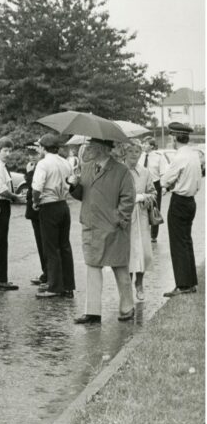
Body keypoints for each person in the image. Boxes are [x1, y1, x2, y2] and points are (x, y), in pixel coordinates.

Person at [69, 138, 136, 323]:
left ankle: (127, 307)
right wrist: (74, 184)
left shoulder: (121, 171)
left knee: (120, 267)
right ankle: (92, 312)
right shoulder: (86, 167)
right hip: (91, 225)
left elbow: (128, 198)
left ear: (101, 149)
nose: (87, 150)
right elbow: (81, 195)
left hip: (114, 228)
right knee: (92, 267)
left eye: (90, 147)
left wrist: (119, 220)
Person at [161, 122, 203, 297]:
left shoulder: (179, 157)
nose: (171, 140)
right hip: (191, 201)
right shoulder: (193, 155)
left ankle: (183, 284)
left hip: (179, 201)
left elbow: (165, 180)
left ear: (175, 137)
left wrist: (168, 184)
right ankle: (190, 282)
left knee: (178, 243)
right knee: (186, 241)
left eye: (171, 137)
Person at [32, 133, 75, 299]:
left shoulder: (43, 164)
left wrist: (36, 202)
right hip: (63, 204)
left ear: (43, 148)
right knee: (64, 245)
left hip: (49, 205)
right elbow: (72, 182)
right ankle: (68, 285)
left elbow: (37, 187)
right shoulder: (65, 163)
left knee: (51, 247)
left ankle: (55, 286)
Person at [122, 140, 156, 302]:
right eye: (130, 151)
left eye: (137, 151)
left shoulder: (145, 172)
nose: (134, 154)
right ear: (125, 153)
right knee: (127, 252)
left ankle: (140, 285)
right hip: (124, 216)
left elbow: (153, 192)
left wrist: (147, 197)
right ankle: (126, 286)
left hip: (141, 216)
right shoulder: (119, 171)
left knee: (142, 251)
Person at [0, 136, 19, 291]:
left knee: (1, 241)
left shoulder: (2, 166)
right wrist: (16, 197)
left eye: (9, 151)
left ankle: (0, 277)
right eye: (5, 150)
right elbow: (1, 189)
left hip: (2, 205)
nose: (8, 154)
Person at [23, 142, 47, 287]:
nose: (32, 157)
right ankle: (45, 272)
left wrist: (29, 173)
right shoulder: (34, 166)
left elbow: (36, 186)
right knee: (40, 243)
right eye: (30, 154)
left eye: (35, 154)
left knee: (44, 242)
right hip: (34, 211)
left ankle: (47, 273)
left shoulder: (41, 167)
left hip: (40, 209)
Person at [142, 137, 168, 244]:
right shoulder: (141, 156)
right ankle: (144, 232)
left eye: (145, 143)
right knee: (142, 207)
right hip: (143, 184)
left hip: (155, 184)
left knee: (154, 208)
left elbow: (163, 173)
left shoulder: (159, 157)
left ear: (152, 146)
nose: (143, 145)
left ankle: (153, 235)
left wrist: (164, 187)